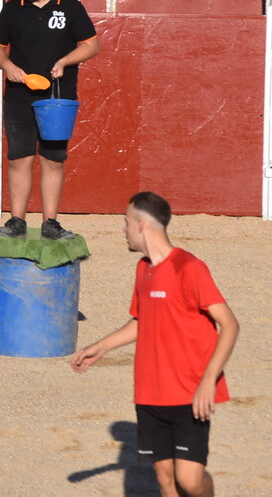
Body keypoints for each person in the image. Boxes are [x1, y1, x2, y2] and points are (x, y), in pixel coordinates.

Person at [71, 191, 239, 497]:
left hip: (189, 392)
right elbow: (142, 321)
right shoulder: (143, 269)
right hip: (150, 392)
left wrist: (207, 382)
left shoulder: (189, 268)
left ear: (141, 225)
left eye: (125, 222)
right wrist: (102, 346)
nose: (123, 230)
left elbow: (229, 325)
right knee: (165, 480)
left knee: (190, 481)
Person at [0, 0, 99, 239]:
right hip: (18, 96)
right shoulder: (13, 8)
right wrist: (8, 66)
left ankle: (50, 221)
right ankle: (16, 220)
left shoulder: (71, 8)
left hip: (56, 98)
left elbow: (91, 45)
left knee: (52, 159)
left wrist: (65, 61)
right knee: (19, 158)